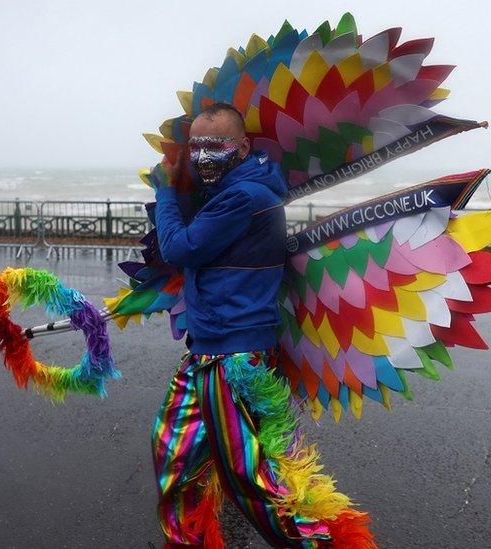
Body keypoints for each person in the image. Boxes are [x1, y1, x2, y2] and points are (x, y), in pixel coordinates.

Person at [151, 103, 376, 548]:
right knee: (174, 453)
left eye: (215, 145)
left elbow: (179, 247)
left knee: (250, 481)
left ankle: (323, 544)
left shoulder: (245, 197)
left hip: (232, 357)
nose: (204, 156)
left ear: (243, 146)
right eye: (197, 146)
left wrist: (165, 192)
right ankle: (187, 539)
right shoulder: (233, 193)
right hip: (209, 350)